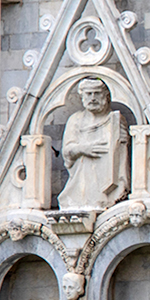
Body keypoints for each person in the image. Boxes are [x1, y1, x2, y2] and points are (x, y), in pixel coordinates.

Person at [57, 77, 128, 209]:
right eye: (89, 94)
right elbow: (67, 151)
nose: (93, 98)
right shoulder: (76, 120)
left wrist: (122, 182)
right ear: (82, 97)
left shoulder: (115, 120)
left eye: (97, 93)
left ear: (106, 95)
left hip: (106, 181)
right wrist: (82, 148)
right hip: (81, 179)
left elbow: (122, 155)